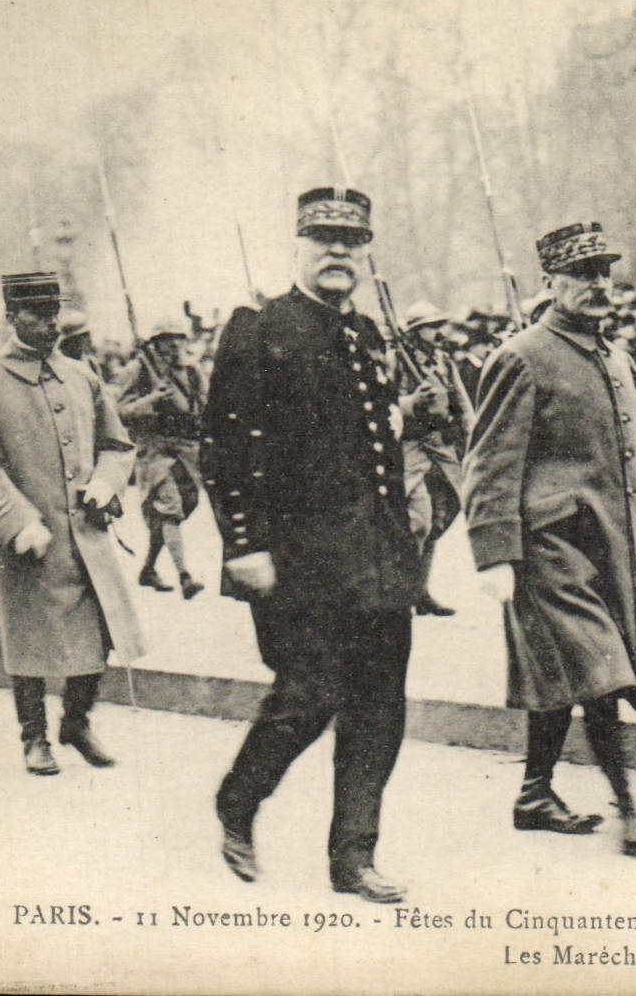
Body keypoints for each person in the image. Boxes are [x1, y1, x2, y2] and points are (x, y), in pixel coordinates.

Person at [203, 187, 421, 902]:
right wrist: (244, 544)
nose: (338, 250)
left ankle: (353, 857)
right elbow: (225, 448)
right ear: (298, 244)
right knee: (309, 694)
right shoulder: (260, 328)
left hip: (378, 560)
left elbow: (368, 445)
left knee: (380, 704)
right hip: (299, 560)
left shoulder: (363, 335)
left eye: (351, 240)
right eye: (324, 237)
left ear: (364, 252)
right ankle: (239, 800)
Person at [462, 221, 636, 856]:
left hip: (613, 550)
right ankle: (629, 810)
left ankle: (534, 792)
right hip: (550, 553)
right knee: (600, 674)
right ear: (550, 283)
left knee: (568, 670)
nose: (598, 285)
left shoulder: (618, 361)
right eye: (582, 274)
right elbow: (488, 463)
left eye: (604, 272)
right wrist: (495, 554)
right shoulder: (521, 357)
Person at [0, 272, 144, 774]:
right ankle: (34, 737)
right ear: (12, 317)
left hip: (84, 532)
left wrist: (107, 483)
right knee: (28, 638)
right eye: (37, 314)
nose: (50, 322)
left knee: (96, 631)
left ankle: (77, 723)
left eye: (54, 312)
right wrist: (19, 522)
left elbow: (117, 444)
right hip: (23, 535)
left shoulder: (82, 375)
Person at [117, 318, 206, 598]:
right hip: (154, 448)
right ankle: (185, 576)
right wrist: (151, 400)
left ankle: (148, 569)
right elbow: (119, 411)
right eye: (168, 339)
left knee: (185, 504)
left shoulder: (191, 371)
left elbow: (204, 404)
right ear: (155, 343)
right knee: (170, 507)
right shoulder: (138, 369)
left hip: (186, 449)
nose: (174, 345)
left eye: (179, 338)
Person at [396, 301, 474, 618]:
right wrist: (411, 403)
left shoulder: (442, 361)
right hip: (412, 446)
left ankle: (420, 590)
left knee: (440, 516)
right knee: (418, 519)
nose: (437, 331)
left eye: (439, 325)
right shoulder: (398, 359)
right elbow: (386, 401)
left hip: (442, 446)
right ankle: (403, 589)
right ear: (415, 331)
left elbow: (462, 403)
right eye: (430, 326)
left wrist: (473, 435)